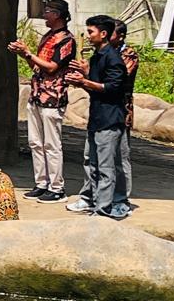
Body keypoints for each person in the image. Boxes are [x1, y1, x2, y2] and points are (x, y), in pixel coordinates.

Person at [8, 0, 75, 204]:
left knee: (51, 144)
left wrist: (27, 52)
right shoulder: (47, 36)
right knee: (35, 143)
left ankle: (57, 187)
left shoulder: (66, 40)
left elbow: (52, 67)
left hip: (53, 98)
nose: (44, 15)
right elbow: (38, 67)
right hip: (36, 95)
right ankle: (42, 183)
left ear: (57, 14)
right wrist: (25, 55)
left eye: (47, 11)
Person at [64, 15, 127, 219]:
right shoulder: (97, 56)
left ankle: (104, 208)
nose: (88, 35)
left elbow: (112, 88)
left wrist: (85, 81)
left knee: (106, 166)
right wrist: (82, 78)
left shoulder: (114, 58)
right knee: (90, 161)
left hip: (110, 119)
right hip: (97, 118)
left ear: (104, 34)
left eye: (91, 32)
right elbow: (96, 87)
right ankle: (91, 200)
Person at [111, 19, 138, 216]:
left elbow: (118, 78)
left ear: (120, 36)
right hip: (104, 109)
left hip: (121, 110)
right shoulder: (105, 51)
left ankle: (122, 199)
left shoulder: (129, 55)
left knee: (121, 154)